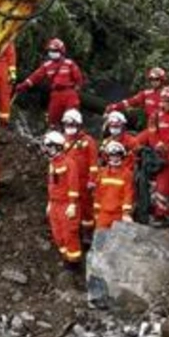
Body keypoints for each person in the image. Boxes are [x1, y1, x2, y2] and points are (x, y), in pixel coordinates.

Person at [136, 85, 169, 230]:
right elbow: (152, 135)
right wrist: (161, 147)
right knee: (162, 187)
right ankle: (159, 215)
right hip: (162, 158)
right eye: (164, 100)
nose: (165, 104)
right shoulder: (156, 116)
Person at [15, 38, 84, 127]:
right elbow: (35, 77)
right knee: (53, 119)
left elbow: (79, 79)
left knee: (71, 118)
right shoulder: (47, 66)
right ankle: (54, 136)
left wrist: (75, 93)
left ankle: (70, 138)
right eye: (50, 50)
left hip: (69, 93)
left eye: (54, 51)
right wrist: (23, 86)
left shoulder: (69, 64)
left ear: (61, 51)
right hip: (55, 94)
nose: (52, 53)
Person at [44, 130, 83, 266]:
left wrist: (72, 204)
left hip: (66, 204)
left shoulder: (69, 163)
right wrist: (50, 202)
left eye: (50, 147)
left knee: (69, 234)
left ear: (59, 147)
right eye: (47, 147)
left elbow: (73, 185)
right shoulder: (52, 163)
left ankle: (74, 262)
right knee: (57, 232)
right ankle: (65, 256)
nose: (48, 150)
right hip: (55, 204)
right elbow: (51, 185)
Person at [61, 109, 98, 240]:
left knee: (86, 207)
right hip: (67, 181)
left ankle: (88, 233)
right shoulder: (62, 141)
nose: (69, 127)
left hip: (83, 182)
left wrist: (92, 180)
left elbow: (93, 164)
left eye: (72, 125)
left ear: (78, 125)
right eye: (67, 125)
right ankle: (73, 232)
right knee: (70, 206)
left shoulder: (88, 141)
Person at [91, 141, 135, 231]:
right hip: (103, 214)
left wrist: (126, 213)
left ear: (121, 156)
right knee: (101, 241)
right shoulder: (102, 173)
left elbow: (128, 194)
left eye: (117, 155)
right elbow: (98, 193)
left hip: (118, 214)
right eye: (112, 155)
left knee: (118, 242)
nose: (115, 158)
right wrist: (96, 211)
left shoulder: (127, 174)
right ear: (108, 157)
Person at [0, 42, 17, 125]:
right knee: (4, 97)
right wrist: (12, 75)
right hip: (3, 72)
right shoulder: (9, 43)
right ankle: (3, 120)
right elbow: (12, 59)